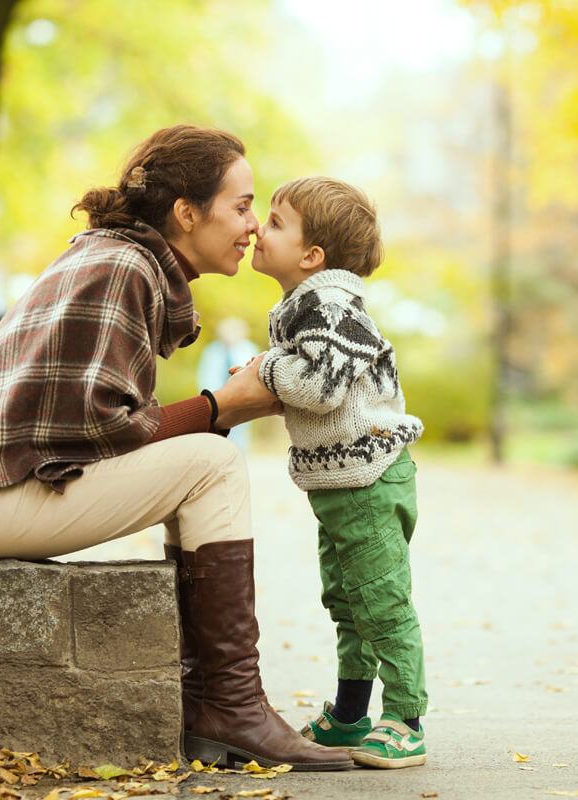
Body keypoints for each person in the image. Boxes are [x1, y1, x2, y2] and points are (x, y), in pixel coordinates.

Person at [0, 126, 353, 772]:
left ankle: (216, 703)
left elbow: (95, 427)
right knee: (216, 463)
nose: (251, 225)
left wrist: (219, 408)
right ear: (186, 214)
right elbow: (107, 431)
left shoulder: (118, 256)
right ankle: (230, 707)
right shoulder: (124, 267)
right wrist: (224, 407)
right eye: (241, 206)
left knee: (208, 461)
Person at [249, 176, 428, 768]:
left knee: (382, 602)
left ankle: (405, 717)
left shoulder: (330, 307)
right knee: (347, 602)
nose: (257, 228)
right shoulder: (304, 305)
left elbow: (322, 390)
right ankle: (351, 714)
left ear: (312, 256)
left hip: (372, 481)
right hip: (340, 485)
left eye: (274, 222)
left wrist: (267, 370)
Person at [196, 317, 260, 454]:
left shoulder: (248, 348)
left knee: (240, 431)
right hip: (218, 397)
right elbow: (205, 375)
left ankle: (238, 456)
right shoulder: (212, 351)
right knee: (218, 431)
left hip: (244, 397)